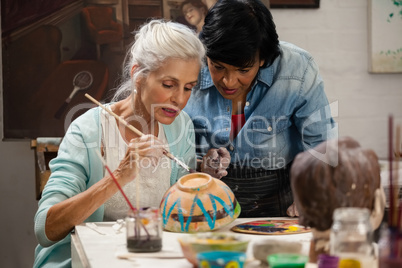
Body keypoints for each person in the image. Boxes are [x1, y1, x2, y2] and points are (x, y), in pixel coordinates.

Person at [33, 20, 205, 268]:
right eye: (169, 85)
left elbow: (179, 213)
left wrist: (203, 178)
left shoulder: (181, 126)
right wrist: (118, 177)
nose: (179, 99)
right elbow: (45, 229)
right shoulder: (88, 130)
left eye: (188, 87)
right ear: (138, 74)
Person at [184, 0, 338, 218]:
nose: (229, 81)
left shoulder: (297, 68)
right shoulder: (189, 67)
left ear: (263, 59)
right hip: (204, 198)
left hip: (278, 200)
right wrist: (200, 164)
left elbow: (322, 143)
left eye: (243, 70)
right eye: (218, 67)